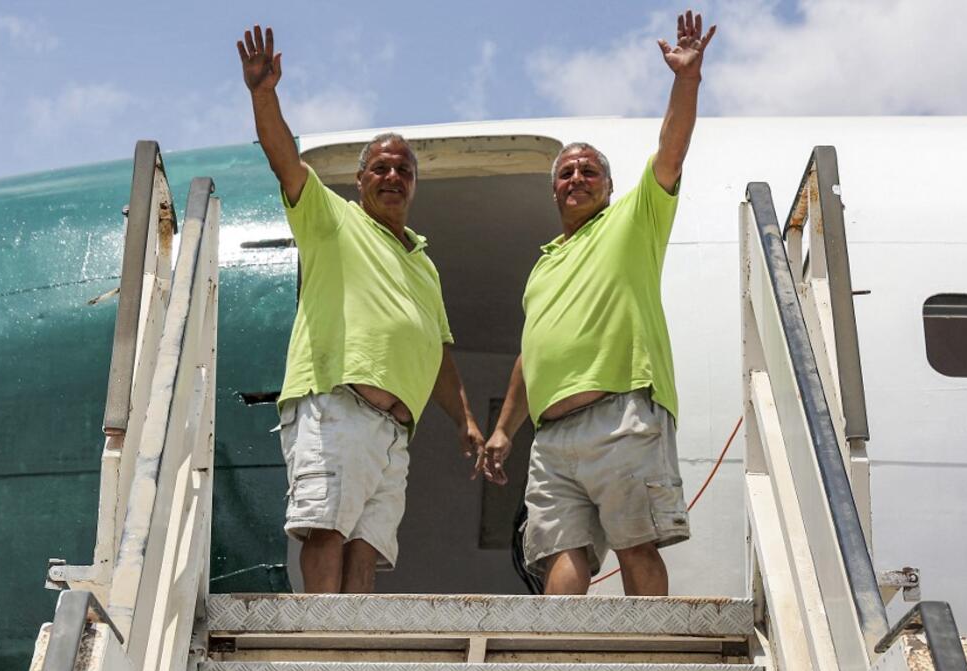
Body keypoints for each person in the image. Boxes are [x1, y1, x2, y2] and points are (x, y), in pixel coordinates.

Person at [238, 25, 485, 593]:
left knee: (367, 551)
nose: (393, 177)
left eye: (403, 170)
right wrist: (263, 94)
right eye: (381, 168)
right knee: (325, 531)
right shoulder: (332, 219)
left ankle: (347, 649)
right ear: (360, 180)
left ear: (415, 184)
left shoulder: (425, 262)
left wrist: (466, 419)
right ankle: (322, 648)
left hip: (394, 433)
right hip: (337, 408)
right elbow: (284, 159)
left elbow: (437, 352)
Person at [479, 10, 716, 596]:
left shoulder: (634, 220)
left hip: (622, 417)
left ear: (608, 187)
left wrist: (685, 81)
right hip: (553, 437)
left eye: (588, 171)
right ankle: (563, 658)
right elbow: (529, 354)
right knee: (561, 552)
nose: (577, 177)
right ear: (554, 188)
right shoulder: (541, 265)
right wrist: (505, 429)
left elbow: (671, 150)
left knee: (636, 545)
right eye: (566, 172)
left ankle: (649, 661)